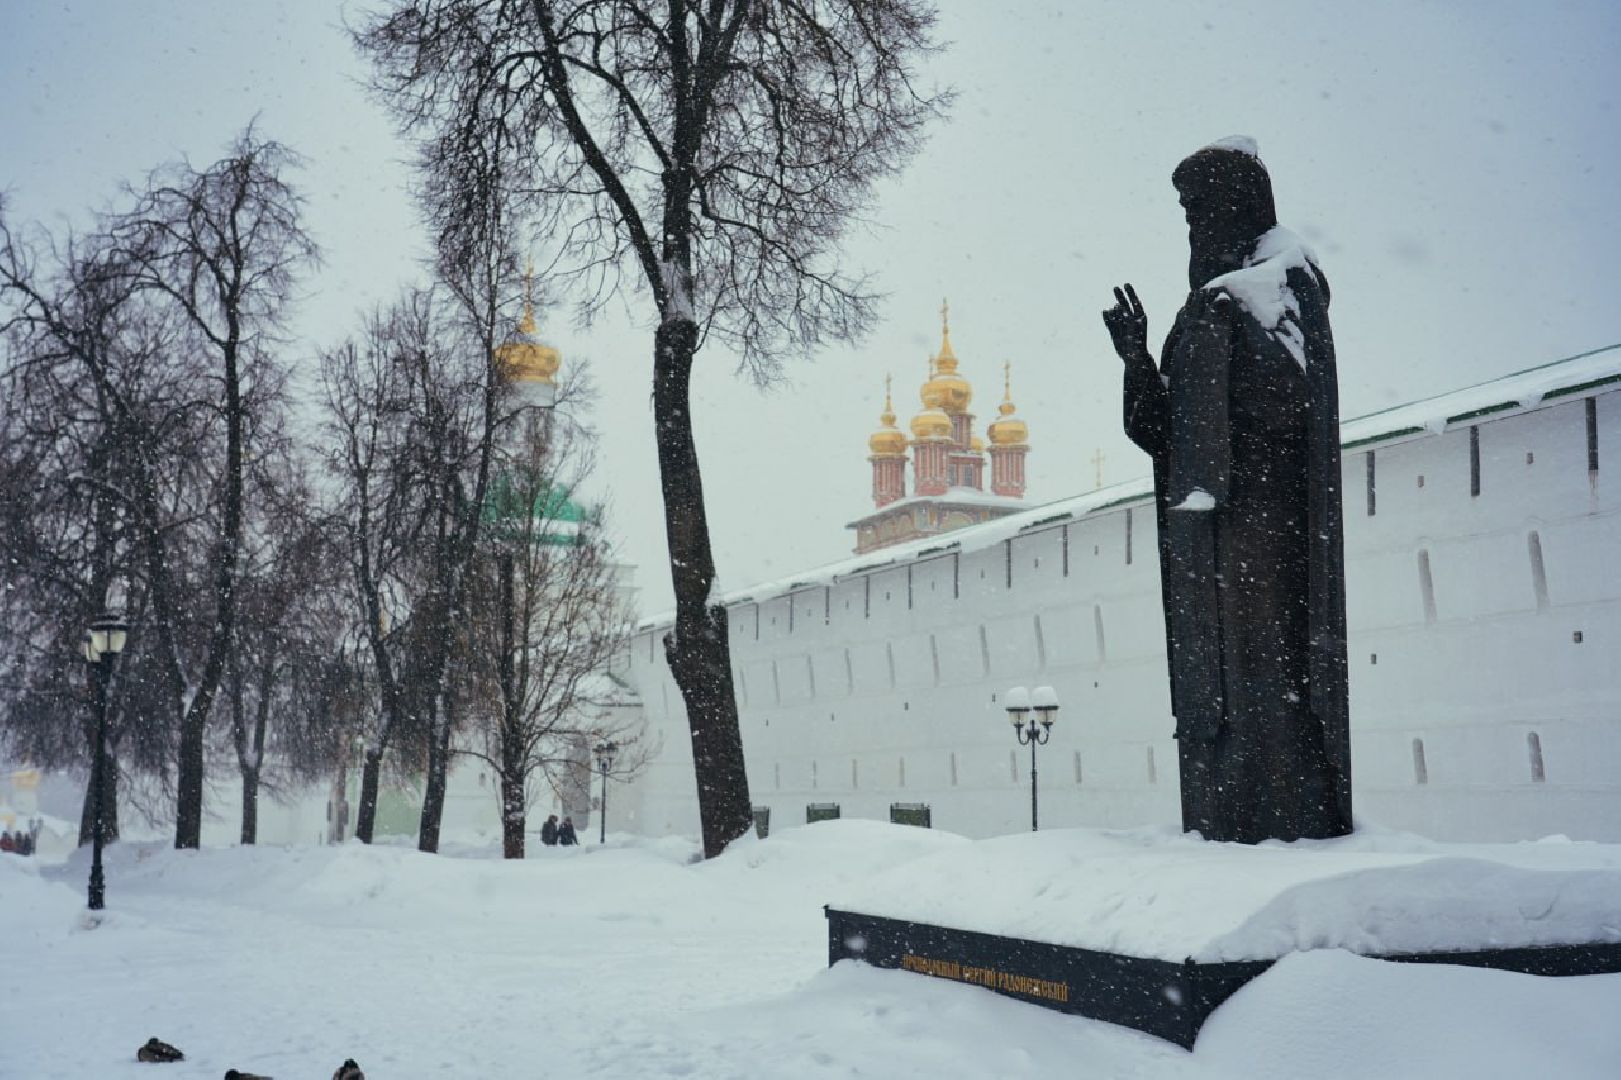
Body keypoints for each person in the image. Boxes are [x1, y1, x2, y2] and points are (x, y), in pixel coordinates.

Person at [1103, 136, 1350, 844]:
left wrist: (1211, 354)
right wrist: (1136, 361)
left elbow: (1286, 403)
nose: (1192, 228)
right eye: (1186, 216)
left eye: (1198, 212)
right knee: (1219, 678)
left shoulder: (1275, 289)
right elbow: (1167, 436)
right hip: (1215, 536)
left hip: (1262, 532)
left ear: (1238, 205)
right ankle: (1226, 818)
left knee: (1260, 672)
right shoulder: (1221, 300)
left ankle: (1273, 818)